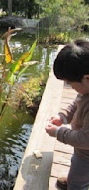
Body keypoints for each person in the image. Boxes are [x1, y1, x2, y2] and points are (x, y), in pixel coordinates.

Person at [45, 39, 89, 190]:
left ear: (87, 77)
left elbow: (85, 139)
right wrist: (63, 117)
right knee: (76, 167)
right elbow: (76, 103)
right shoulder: (86, 91)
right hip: (82, 153)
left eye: (71, 84)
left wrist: (58, 133)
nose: (71, 87)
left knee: (78, 181)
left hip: (86, 156)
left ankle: (76, 184)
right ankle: (75, 178)